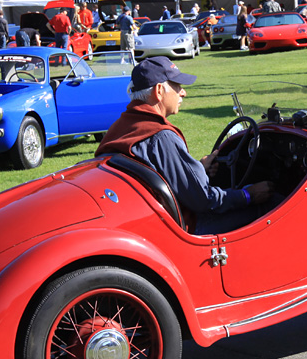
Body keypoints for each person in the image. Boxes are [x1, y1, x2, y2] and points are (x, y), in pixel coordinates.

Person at [95, 57, 275, 235]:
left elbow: (163, 172)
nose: (183, 93)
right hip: (182, 226)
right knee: (270, 204)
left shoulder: (121, 126)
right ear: (159, 91)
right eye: (178, 86)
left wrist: (198, 169)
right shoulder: (160, 136)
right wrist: (248, 195)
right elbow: (203, 200)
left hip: (146, 221)